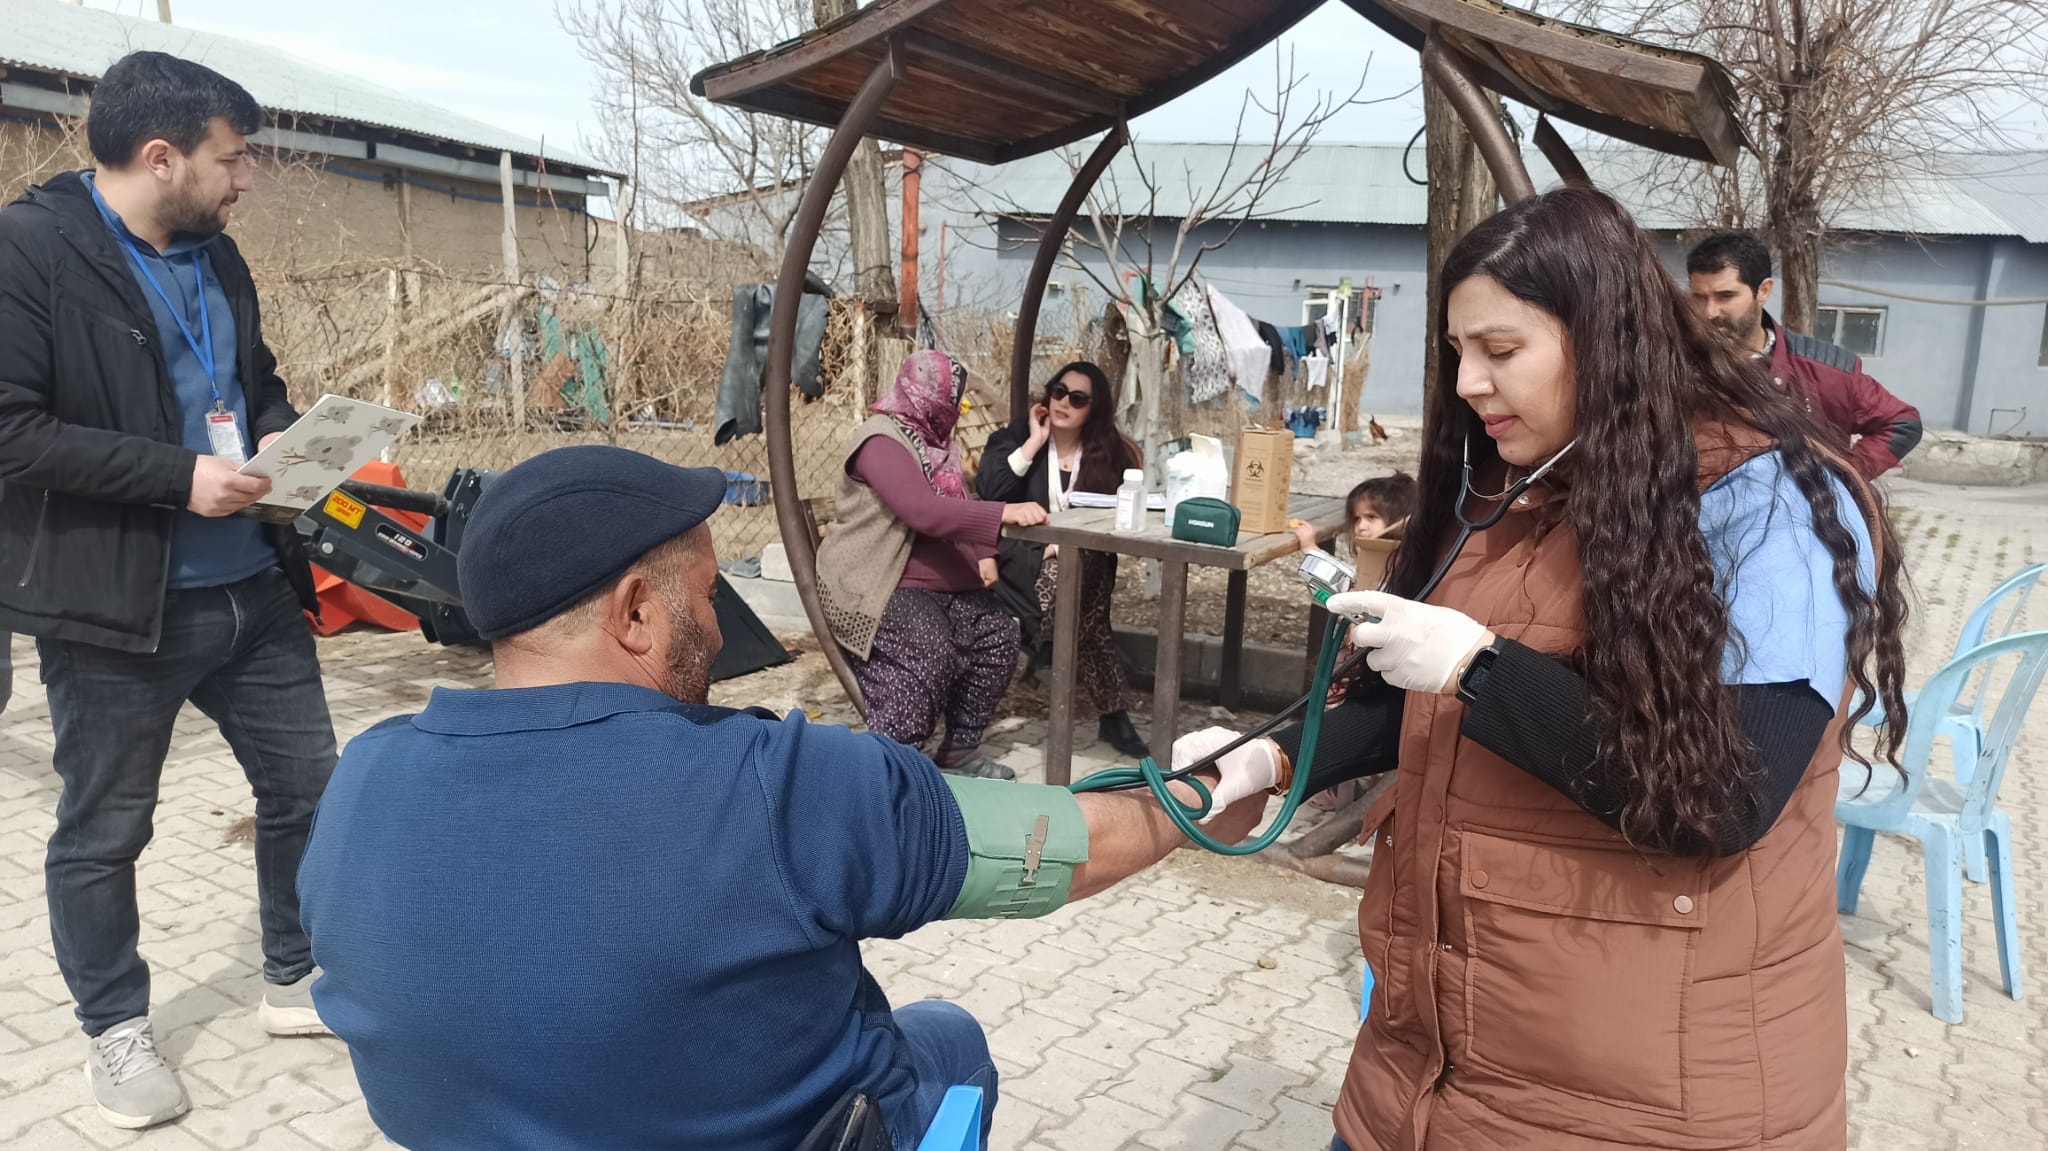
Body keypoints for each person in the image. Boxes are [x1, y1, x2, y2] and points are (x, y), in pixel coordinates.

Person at [1177, 187, 1908, 1151]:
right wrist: (1270, 761)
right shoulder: (1513, 483)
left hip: (1648, 1099)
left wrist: (1484, 669)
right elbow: (1421, 703)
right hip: (1429, 1071)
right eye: (1456, 353)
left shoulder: (1766, 504)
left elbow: (1730, 797)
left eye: (1503, 351)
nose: (1471, 382)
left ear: (1608, 337)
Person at [295, 445, 1272, 1151]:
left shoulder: (361, 782)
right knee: (952, 1038)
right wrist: (1188, 801)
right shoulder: (779, 784)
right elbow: (1051, 845)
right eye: (708, 598)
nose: (720, 637)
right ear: (636, 609)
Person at [0, 51, 338, 1130]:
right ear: (161, 156)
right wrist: (174, 475)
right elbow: (11, 432)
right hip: (115, 607)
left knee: (310, 792)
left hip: (253, 585)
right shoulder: (31, 252)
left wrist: (285, 436)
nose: (244, 182)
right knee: (105, 830)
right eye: (230, 161)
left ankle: (295, 973)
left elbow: (255, 381)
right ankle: (116, 1025)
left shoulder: (216, 256)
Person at [816, 350, 1046, 780]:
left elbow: (956, 504)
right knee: (927, 650)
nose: (952, 412)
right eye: (948, 404)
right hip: (875, 580)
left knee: (999, 635)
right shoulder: (880, 441)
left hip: (930, 582)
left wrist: (983, 553)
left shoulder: (936, 445)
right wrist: (1002, 514)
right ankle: (890, 764)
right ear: (921, 397)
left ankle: (960, 751)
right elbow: (921, 510)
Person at [976, 361, 1149, 758]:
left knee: (1078, 571)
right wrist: (1034, 443)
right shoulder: (1016, 437)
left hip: (1085, 565)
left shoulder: (1111, 453)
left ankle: (1046, 647)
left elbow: (1118, 521)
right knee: (1082, 603)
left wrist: (1071, 544)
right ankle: (1113, 717)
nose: (1064, 403)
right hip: (1020, 562)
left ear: (1095, 407)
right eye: (1058, 391)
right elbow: (990, 491)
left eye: (1078, 398)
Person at [1686, 231, 1923, 479]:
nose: (1709, 312)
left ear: (1763, 291)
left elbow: (1902, 423)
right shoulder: (1678, 368)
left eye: (1726, 296)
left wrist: (1842, 478)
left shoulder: (1824, 372)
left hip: (1804, 516)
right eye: (1699, 297)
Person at [1287, 473, 1415, 810]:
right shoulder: (1374, 565)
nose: (1361, 526)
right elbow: (1346, 585)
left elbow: (1354, 595)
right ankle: (1341, 789)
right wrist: (1311, 549)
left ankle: (1348, 793)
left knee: (1359, 728)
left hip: (1381, 668)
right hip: (1357, 660)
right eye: (1357, 519)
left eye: (1372, 518)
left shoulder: (1404, 568)